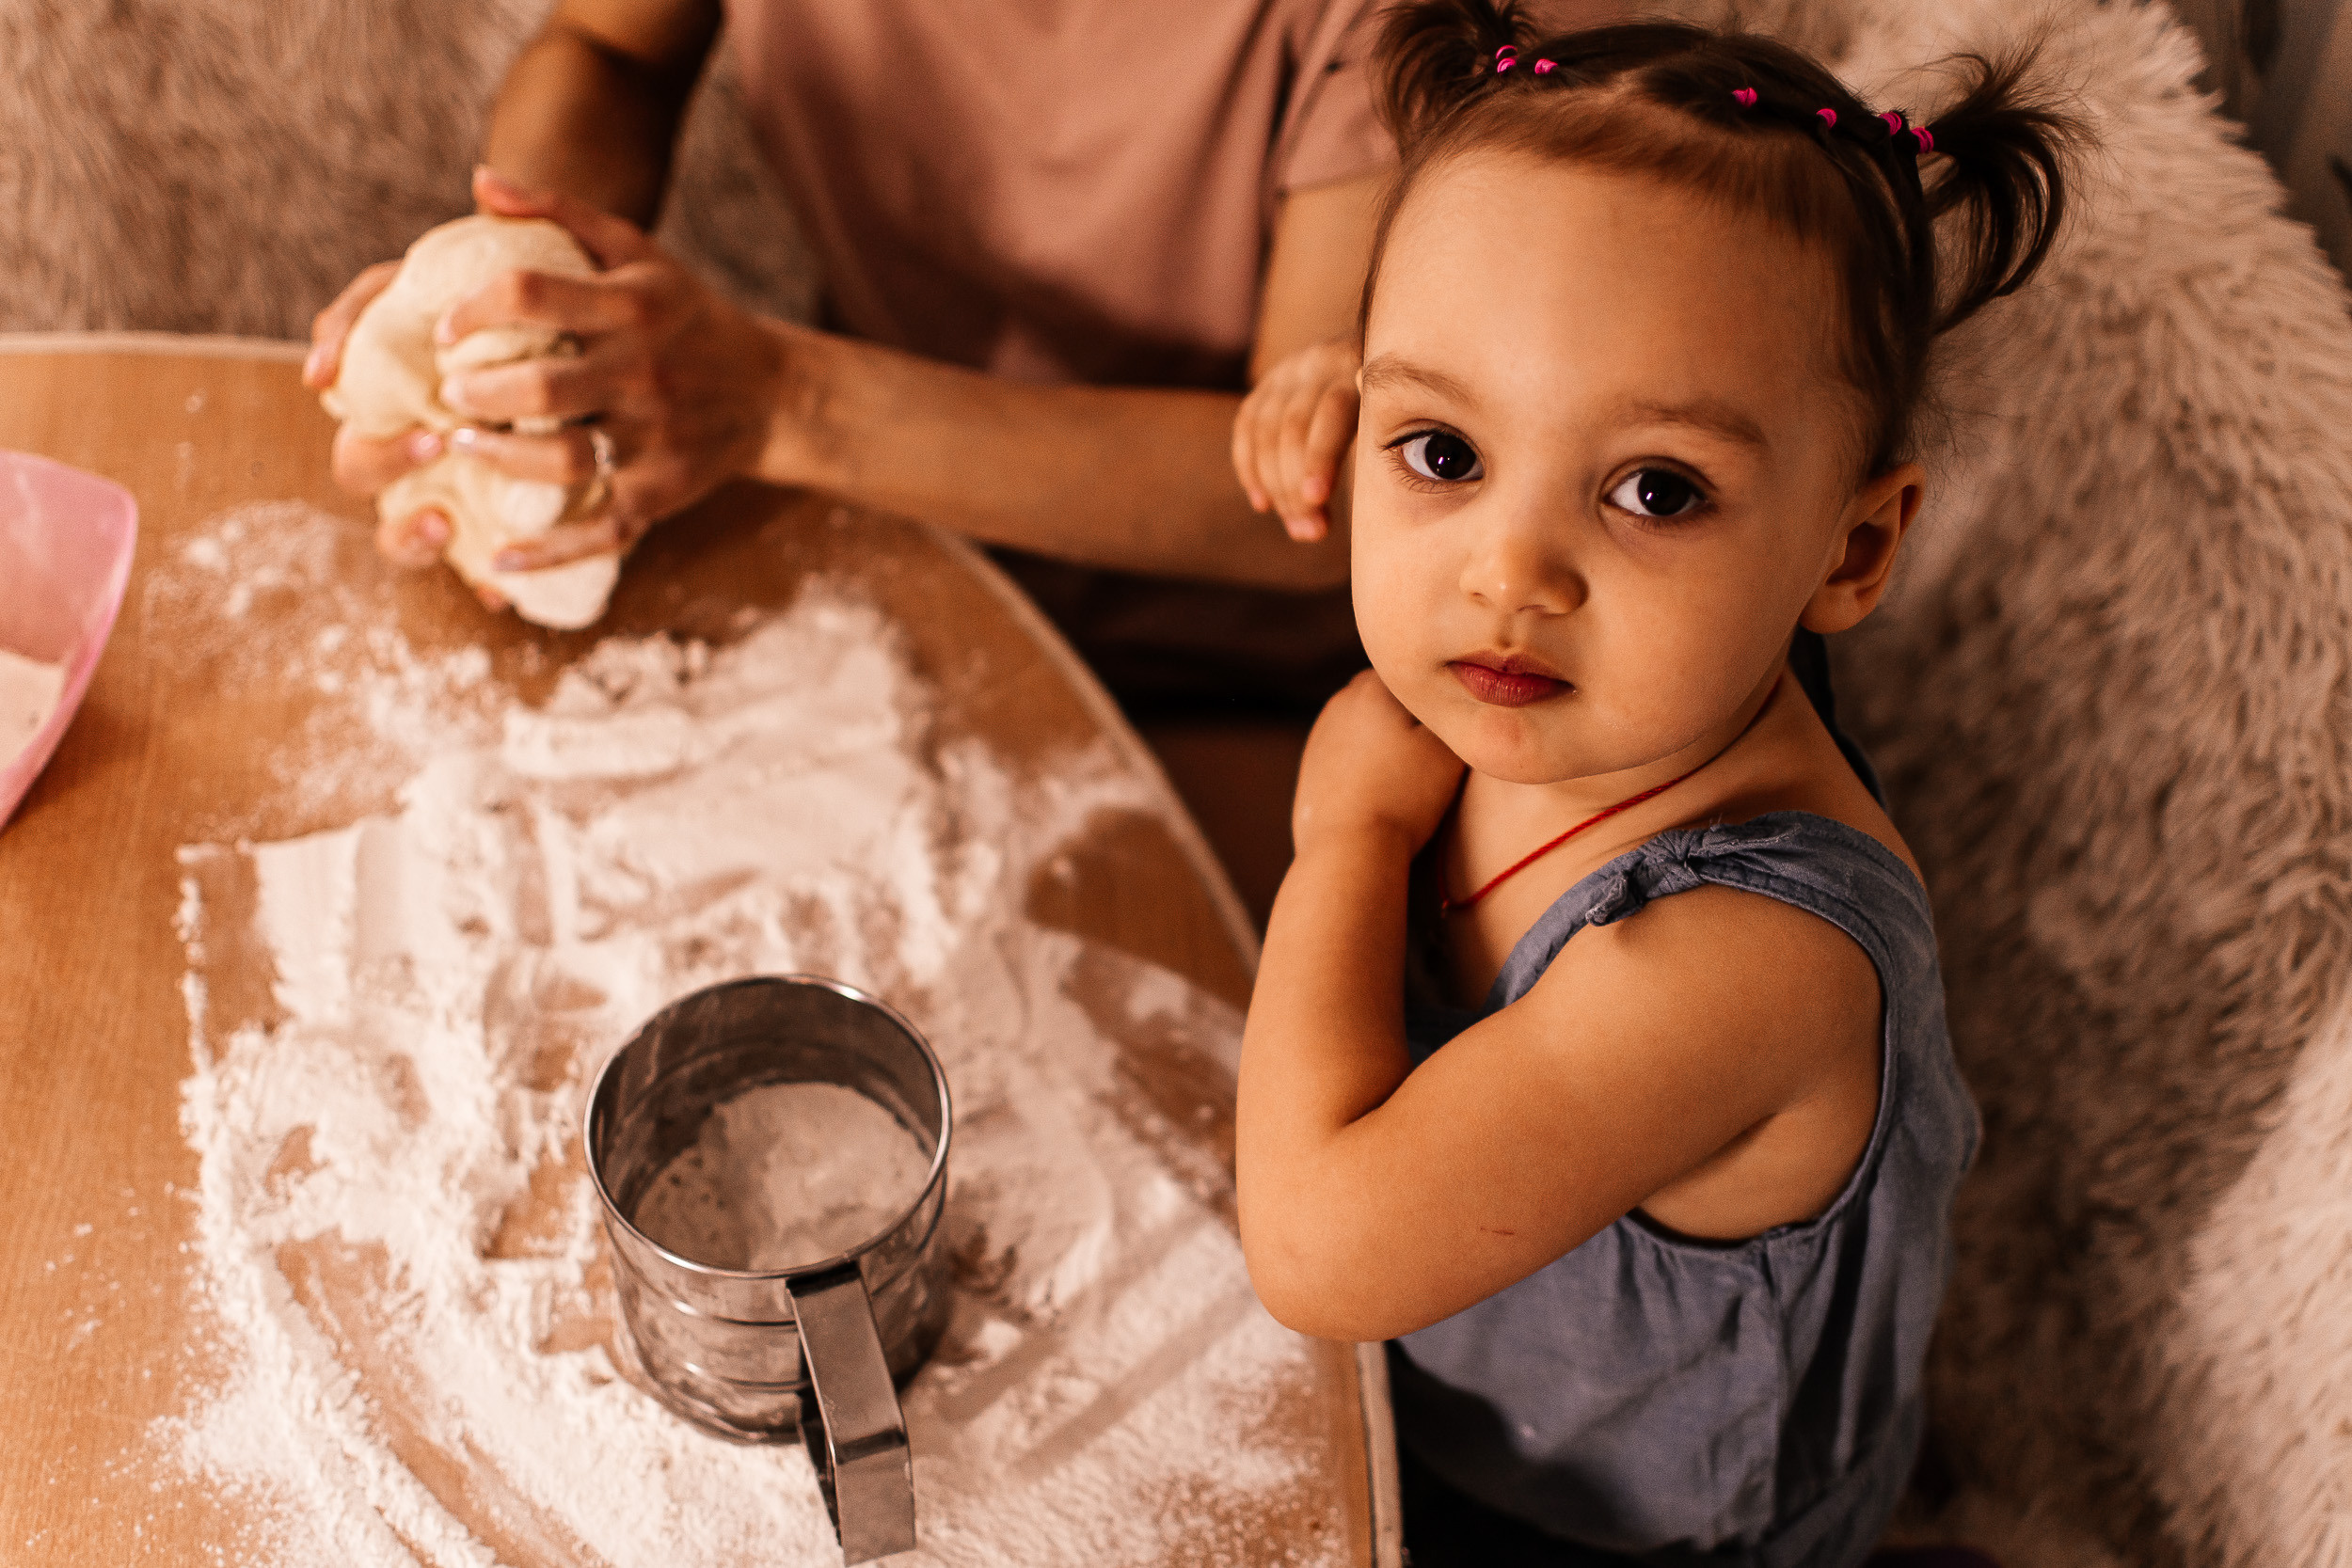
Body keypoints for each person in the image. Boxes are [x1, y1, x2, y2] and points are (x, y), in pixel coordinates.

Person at [1233, 4, 2077, 1563]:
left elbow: (1315, 1244)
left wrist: (1344, 837)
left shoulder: (1744, 962)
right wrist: (1332, 387)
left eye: (1654, 490)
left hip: (1609, 1532)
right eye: (1439, 451)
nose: (1508, 573)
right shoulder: (1603, 691)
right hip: (1443, 1394)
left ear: (1851, 546)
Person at [301, 0, 1421, 715]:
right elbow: (607, 49)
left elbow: (1316, 502)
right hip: (866, 537)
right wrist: (524, 294)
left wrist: (771, 401)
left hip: (1232, 683)